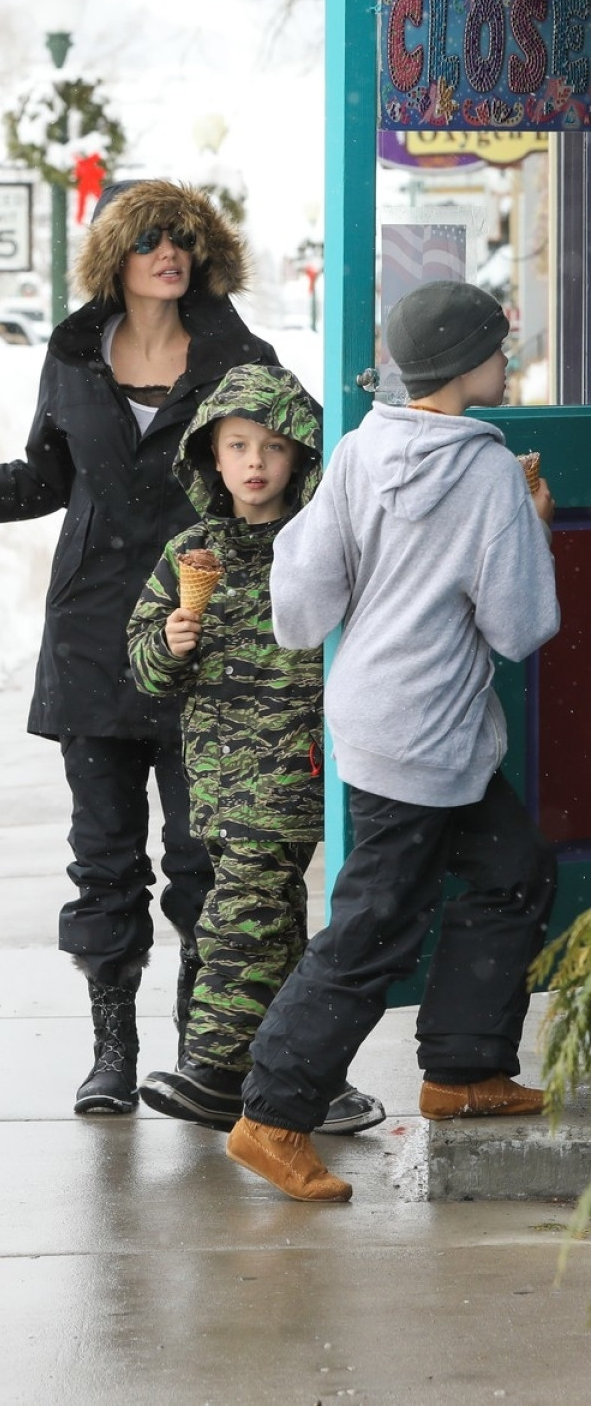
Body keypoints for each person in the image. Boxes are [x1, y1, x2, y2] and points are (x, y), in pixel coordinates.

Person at [0, 179, 280, 1115]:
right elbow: (43, 475)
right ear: (118, 254)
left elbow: (285, 473)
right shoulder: (73, 354)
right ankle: (112, 1048)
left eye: (184, 238)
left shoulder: (241, 356)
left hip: (205, 642)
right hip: (96, 634)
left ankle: (202, 1051)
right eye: (150, 238)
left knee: (203, 860)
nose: (169, 253)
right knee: (104, 859)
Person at [224, 280, 560, 1202]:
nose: (508, 358)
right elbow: (519, 625)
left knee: (512, 868)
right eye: (500, 346)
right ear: (466, 365)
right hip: (431, 733)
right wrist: (532, 528)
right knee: (373, 928)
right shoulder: (488, 473)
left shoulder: (361, 452)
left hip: (383, 721)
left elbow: (302, 606)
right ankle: (272, 1115)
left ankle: (461, 1071)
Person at [127, 363, 384, 1138]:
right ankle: (302, 1079)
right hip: (217, 769)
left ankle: (222, 1069)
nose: (254, 463)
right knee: (260, 911)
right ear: (211, 456)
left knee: (252, 907)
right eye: (237, 445)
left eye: (273, 447)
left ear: (301, 457)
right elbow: (140, 666)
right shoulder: (188, 552)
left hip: (301, 760)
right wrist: (169, 643)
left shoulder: (319, 544)